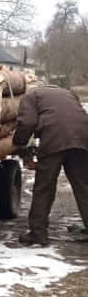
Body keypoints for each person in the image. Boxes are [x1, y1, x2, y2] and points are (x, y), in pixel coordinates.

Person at [12, 85, 88, 245]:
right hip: (83, 136)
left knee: (44, 187)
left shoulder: (30, 96)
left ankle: (38, 233)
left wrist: (19, 143)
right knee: (84, 186)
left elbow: (27, 122)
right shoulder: (69, 93)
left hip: (55, 137)